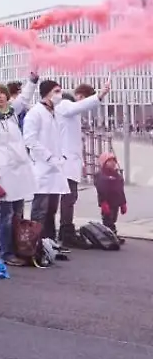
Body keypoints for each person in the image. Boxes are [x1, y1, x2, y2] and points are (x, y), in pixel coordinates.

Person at [0, 78, 37, 265]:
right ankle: (5, 252)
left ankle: (17, 247)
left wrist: (33, 80)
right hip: (2, 171)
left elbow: (24, 97)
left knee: (18, 213)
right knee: (5, 215)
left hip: (19, 169)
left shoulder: (13, 114)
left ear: (7, 96)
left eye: (2, 93)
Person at [55, 82, 110, 246]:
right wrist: (99, 96)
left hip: (71, 161)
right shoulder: (65, 105)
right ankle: (66, 231)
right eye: (85, 100)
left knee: (70, 197)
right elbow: (78, 107)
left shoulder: (71, 110)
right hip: (65, 162)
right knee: (68, 197)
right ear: (80, 96)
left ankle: (65, 229)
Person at [24, 80, 71, 242]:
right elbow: (30, 140)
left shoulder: (55, 113)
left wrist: (61, 157)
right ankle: (35, 244)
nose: (60, 94)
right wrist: (48, 156)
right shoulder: (35, 113)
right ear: (47, 93)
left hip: (55, 169)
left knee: (51, 210)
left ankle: (50, 243)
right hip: (42, 169)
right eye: (56, 91)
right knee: (40, 211)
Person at [95, 151, 127, 237]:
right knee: (108, 220)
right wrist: (103, 202)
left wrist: (123, 203)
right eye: (109, 161)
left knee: (113, 219)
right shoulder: (100, 175)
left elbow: (121, 190)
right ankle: (110, 235)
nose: (112, 163)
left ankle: (111, 235)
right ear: (104, 163)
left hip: (116, 202)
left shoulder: (117, 175)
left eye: (114, 161)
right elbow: (100, 190)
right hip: (107, 203)